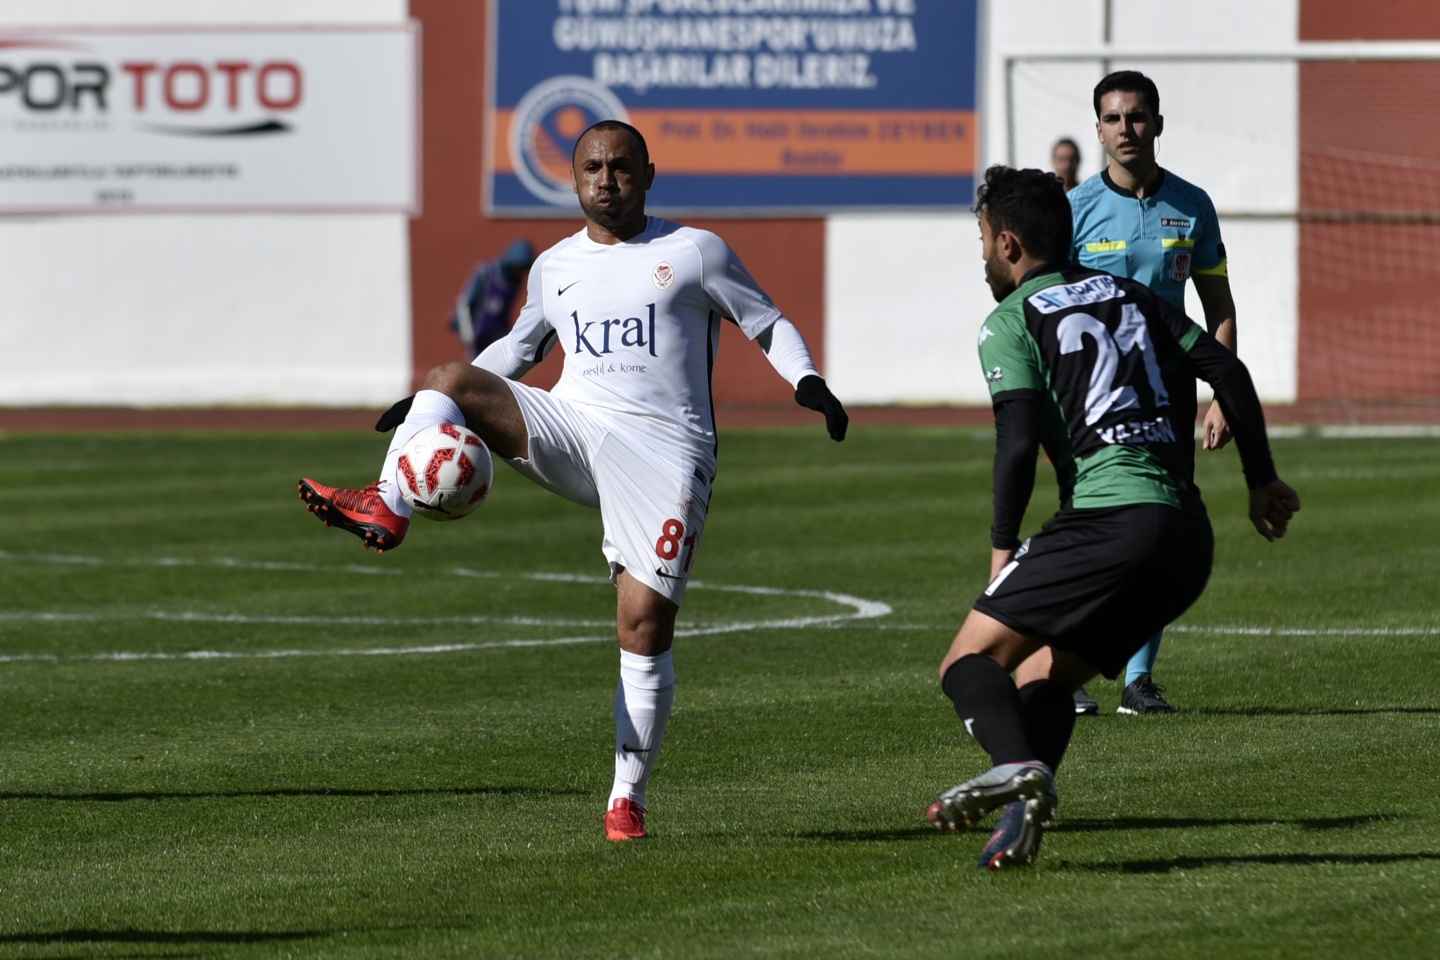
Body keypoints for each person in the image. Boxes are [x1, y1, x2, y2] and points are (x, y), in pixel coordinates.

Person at [297, 120, 849, 842]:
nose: (607, 179)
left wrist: (808, 381)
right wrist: (432, 405)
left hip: (665, 453)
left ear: (649, 174)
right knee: (449, 377)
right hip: (574, 426)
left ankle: (628, 797)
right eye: (592, 167)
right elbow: (519, 348)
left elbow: (767, 322)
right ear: (575, 178)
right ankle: (387, 504)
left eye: (621, 166)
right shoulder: (556, 267)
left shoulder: (694, 252)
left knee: (643, 625)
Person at [925, 165, 1298, 870]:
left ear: (1007, 244)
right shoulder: (1133, 295)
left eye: (981, 240)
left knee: (968, 661)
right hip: (1187, 539)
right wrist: (1261, 480)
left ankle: (1017, 769)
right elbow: (1230, 373)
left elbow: (1016, 443)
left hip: (1108, 520)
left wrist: (1003, 548)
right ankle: (1019, 819)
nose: (980, 257)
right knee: (1046, 676)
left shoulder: (1011, 319)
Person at [1063, 69, 1239, 716]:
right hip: (1092, 398)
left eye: (1136, 117)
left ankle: (1139, 679)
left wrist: (1222, 393)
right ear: (1099, 129)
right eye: (1112, 118)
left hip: (1169, 397)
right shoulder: (1076, 211)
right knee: (1091, 530)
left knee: (1162, 529)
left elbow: (1218, 307)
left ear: (1157, 124)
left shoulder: (1193, 205)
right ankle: (1072, 668)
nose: (1125, 129)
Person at [448, 237, 536, 360]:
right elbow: (464, 303)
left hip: (499, 336)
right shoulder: (485, 273)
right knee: (476, 372)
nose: (519, 272)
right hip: (479, 337)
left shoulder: (516, 281)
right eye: (518, 267)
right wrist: (467, 333)